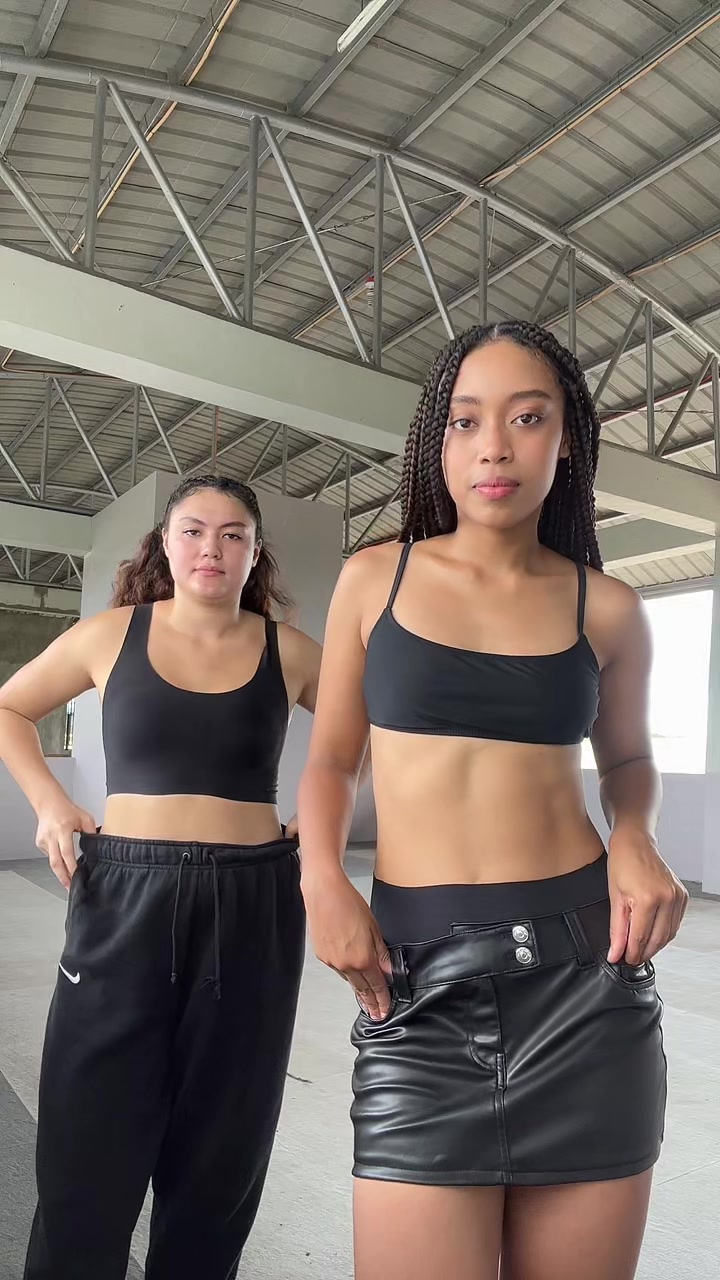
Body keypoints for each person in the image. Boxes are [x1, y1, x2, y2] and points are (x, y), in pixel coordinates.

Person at [297, 321, 689, 1280]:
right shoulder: (374, 578)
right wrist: (321, 880)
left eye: (528, 418)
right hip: (417, 991)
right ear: (439, 442)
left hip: (587, 985)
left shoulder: (608, 607)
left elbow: (629, 757)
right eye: (467, 421)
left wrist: (636, 834)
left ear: (568, 442)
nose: (495, 448)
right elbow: (333, 760)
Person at [0, 474, 322, 1280]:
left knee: (223, 1149)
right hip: (124, 897)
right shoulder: (110, 636)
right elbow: (9, 708)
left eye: (233, 534)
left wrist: (324, 814)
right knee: (87, 1139)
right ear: (165, 546)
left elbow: (378, 732)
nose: (212, 547)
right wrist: (50, 803)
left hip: (251, 902)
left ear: (255, 553)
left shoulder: (290, 651)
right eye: (193, 531)